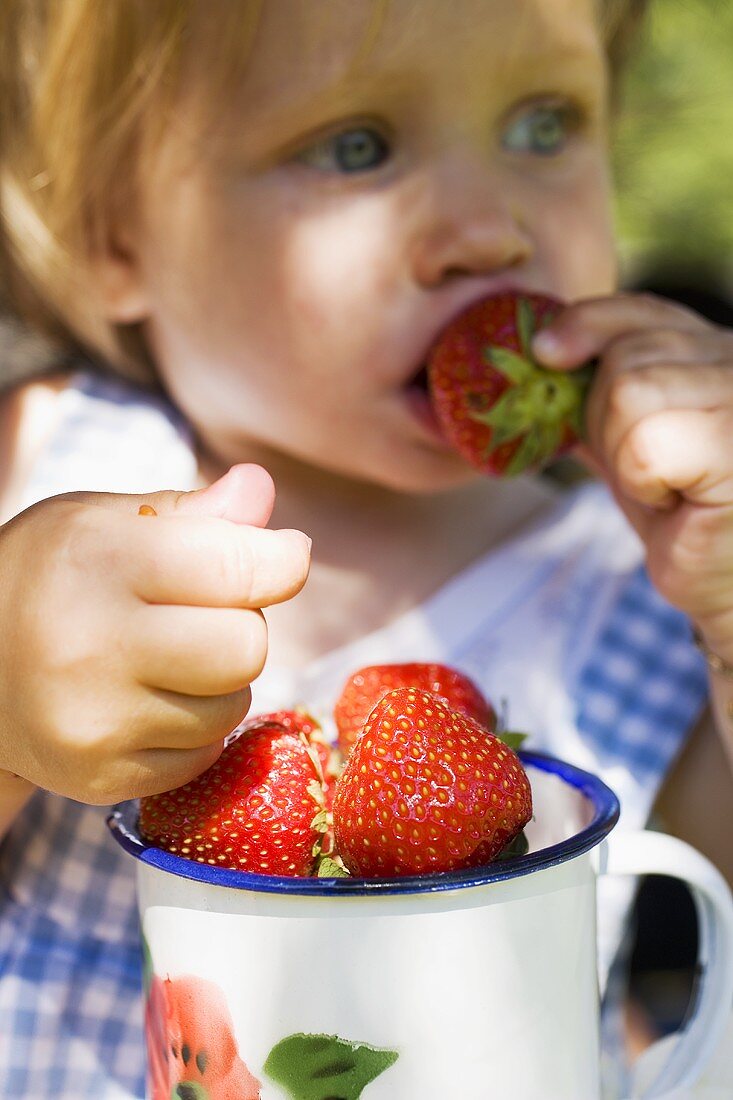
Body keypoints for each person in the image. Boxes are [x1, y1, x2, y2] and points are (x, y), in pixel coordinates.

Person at [0, 1, 732, 1095]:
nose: (492, 232)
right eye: (357, 146)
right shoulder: (44, 468)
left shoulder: (642, 588)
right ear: (117, 235)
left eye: (545, 123)